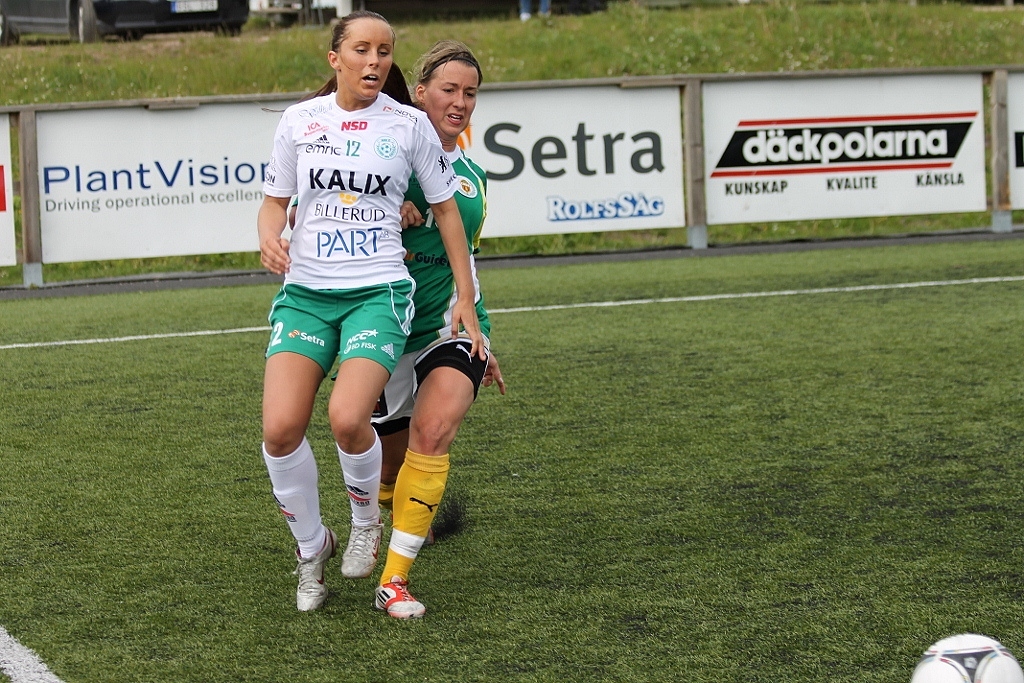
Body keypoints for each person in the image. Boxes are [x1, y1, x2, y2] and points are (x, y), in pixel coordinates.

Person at [257, 10, 484, 613]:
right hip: (306, 294)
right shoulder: (299, 121)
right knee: (279, 430)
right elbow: (275, 201)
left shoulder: (408, 124)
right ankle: (312, 549)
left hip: (377, 292)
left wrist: (467, 300)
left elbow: (446, 212)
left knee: (347, 416)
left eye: (385, 51)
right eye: (362, 49)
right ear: (336, 58)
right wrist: (269, 236)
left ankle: (365, 525)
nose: (375, 61)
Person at [370, 40, 505, 620]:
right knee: (390, 466)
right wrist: (386, 210)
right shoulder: (381, 159)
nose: (460, 102)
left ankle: (393, 581)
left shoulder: (472, 177)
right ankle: (387, 515)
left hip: (450, 328)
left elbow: (465, 257)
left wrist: (478, 330)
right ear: (419, 92)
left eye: (470, 93)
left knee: (432, 434)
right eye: (449, 89)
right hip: (386, 328)